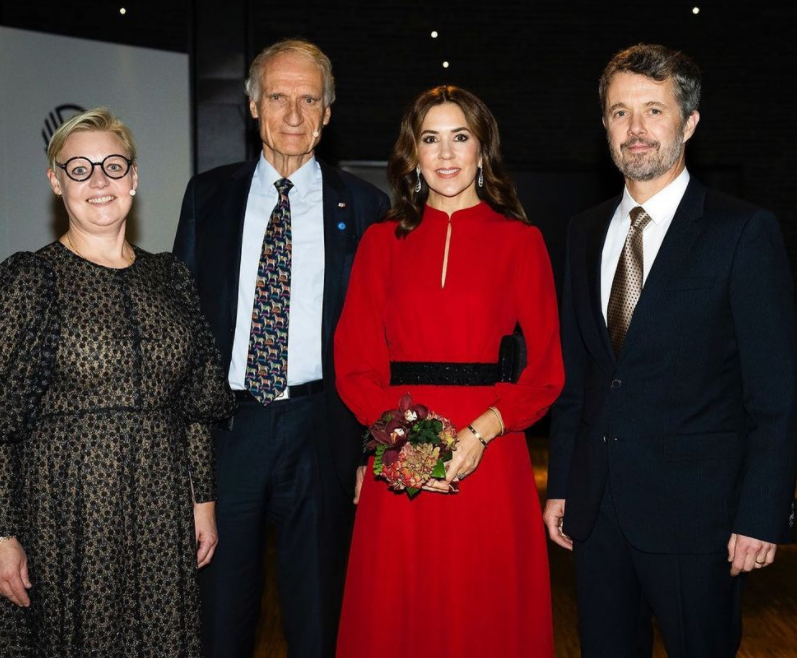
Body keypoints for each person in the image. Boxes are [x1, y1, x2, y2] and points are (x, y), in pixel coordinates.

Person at [544, 43, 797, 658]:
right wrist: (563, 485)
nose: (635, 129)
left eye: (653, 110)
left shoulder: (743, 232)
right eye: (619, 112)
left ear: (689, 123)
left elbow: (775, 392)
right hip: (598, 515)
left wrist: (761, 513)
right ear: (604, 123)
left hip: (700, 521)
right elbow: (582, 378)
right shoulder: (583, 232)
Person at [173, 39, 389, 658]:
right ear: (251, 107)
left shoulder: (368, 208)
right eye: (277, 97)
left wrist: (366, 447)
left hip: (322, 427)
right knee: (219, 616)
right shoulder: (207, 197)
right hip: (227, 427)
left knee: (320, 616)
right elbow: (184, 324)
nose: (293, 114)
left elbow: (378, 339)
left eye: (308, 99)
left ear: (327, 114)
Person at [333, 85, 564, 658]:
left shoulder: (521, 241)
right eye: (429, 139)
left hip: (489, 454)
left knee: (484, 616)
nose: (445, 153)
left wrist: (482, 431)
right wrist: (407, 446)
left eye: (460, 137)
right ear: (412, 154)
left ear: (482, 149)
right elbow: (355, 363)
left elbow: (547, 369)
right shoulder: (380, 243)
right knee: (398, 616)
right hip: (400, 450)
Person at [0, 107, 235, 658]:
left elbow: (197, 402)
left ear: (134, 177)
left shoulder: (170, 275)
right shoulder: (30, 279)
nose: (99, 181)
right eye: (79, 169)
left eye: (112, 165)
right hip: (68, 508)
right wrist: (3, 533)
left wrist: (203, 503)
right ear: (56, 182)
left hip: (161, 503)